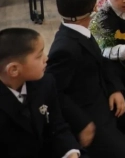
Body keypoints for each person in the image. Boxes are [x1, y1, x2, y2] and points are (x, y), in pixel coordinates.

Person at [46, 0, 125, 158]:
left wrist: (114, 89)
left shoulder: (81, 30)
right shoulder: (64, 49)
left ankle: (109, 136)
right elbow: (55, 92)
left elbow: (101, 61)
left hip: (105, 98)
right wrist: (82, 124)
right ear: (93, 9)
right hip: (88, 113)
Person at [0, 27, 80, 158]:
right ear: (14, 70)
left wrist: (70, 152)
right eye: (39, 56)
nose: (46, 58)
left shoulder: (45, 82)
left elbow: (57, 124)